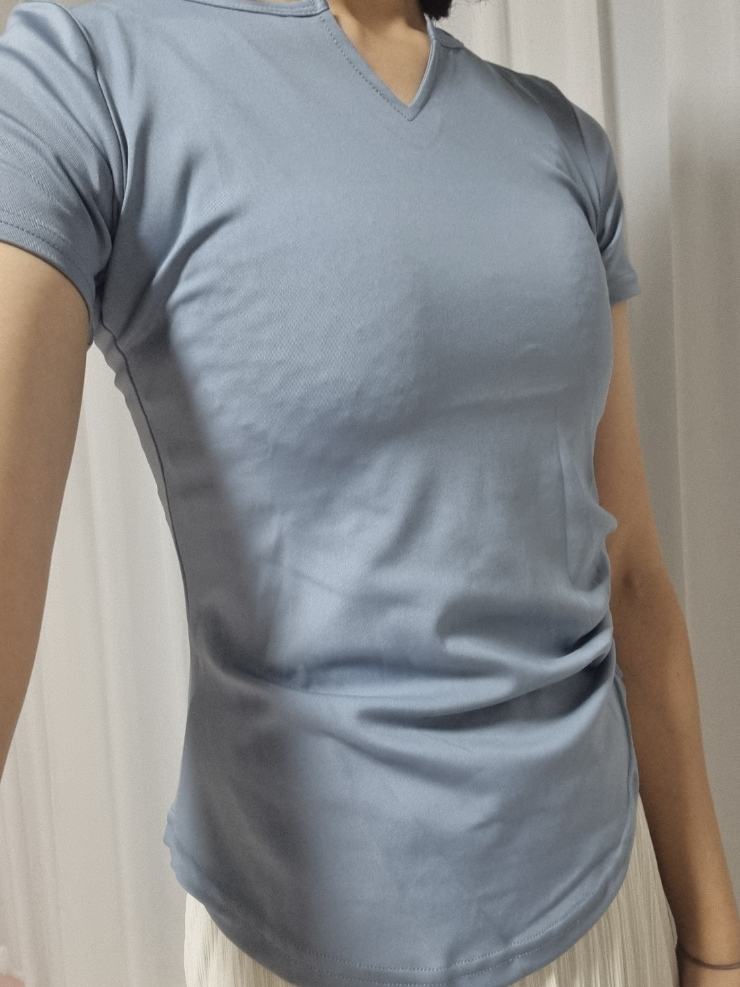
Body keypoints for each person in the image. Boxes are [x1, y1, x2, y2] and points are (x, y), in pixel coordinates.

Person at [1, 0, 739, 985]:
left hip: (607, 908)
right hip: (296, 942)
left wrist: (713, 941)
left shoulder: (564, 143)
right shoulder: (85, 76)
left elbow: (630, 569)